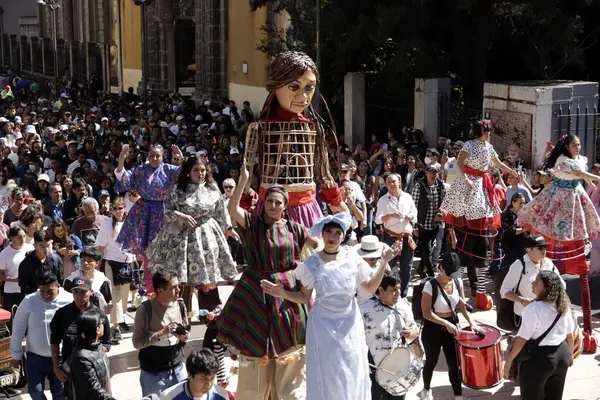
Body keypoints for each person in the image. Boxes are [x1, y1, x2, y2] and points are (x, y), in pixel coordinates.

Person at [262, 213, 401, 400]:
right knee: (328, 371)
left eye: (337, 233)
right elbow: (304, 297)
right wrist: (283, 293)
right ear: (322, 234)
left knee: (351, 368)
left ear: (343, 237)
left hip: (350, 322)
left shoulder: (353, 259)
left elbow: (370, 287)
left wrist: (384, 262)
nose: (333, 237)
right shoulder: (311, 263)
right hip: (322, 325)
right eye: (329, 232)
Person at [217, 161, 320, 399]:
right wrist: (244, 180)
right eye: (270, 201)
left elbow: (318, 244)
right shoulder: (253, 223)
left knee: (289, 355)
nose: (273, 206)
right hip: (255, 291)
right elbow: (232, 210)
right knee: (256, 357)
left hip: (287, 293)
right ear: (264, 203)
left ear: (285, 207)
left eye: (278, 202)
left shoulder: (295, 228)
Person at [518, 134, 600, 352]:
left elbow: (583, 176)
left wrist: (592, 181)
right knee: (555, 227)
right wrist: (594, 177)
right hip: (561, 198)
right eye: (574, 144)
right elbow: (579, 173)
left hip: (575, 196)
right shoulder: (564, 159)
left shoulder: (578, 157)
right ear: (566, 146)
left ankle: (587, 332)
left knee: (576, 229)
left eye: (579, 144)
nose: (578, 147)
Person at [242, 51, 342, 228]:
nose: (303, 97)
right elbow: (246, 177)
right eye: (294, 87)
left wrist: (339, 208)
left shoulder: (313, 127)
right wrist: (242, 209)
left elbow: (324, 173)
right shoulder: (259, 128)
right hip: (269, 212)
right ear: (276, 86)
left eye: (309, 88)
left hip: (306, 210)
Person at [440, 120, 518, 310]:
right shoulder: (469, 144)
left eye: (489, 130)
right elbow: (459, 162)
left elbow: (496, 162)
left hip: (483, 184)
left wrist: (509, 170)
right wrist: (465, 179)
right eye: (486, 130)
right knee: (469, 224)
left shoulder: (489, 146)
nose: (488, 133)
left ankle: (481, 293)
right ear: (479, 131)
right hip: (470, 184)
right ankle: (461, 293)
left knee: (483, 236)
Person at [146, 155, 237, 308]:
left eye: (203, 170)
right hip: (181, 238)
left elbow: (221, 211)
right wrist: (180, 216)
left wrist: (228, 229)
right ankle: (181, 313)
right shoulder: (177, 189)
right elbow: (167, 210)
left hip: (207, 237)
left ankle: (210, 314)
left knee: (207, 277)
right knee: (180, 278)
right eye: (196, 170)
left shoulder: (212, 188)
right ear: (188, 172)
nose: (200, 173)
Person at [114, 143, 183, 293]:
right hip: (144, 211)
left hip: (165, 210)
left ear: (163, 157)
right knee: (148, 252)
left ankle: (170, 287)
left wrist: (181, 158)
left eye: (158, 156)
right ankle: (151, 290)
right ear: (147, 157)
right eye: (151, 155)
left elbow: (185, 175)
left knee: (167, 249)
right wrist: (121, 160)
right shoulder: (140, 170)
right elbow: (124, 179)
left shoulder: (168, 169)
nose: (155, 158)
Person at [503, 270, 575, 400]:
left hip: (540, 359)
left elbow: (521, 341)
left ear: (547, 288)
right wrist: (570, 356)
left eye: (537, 282)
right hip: (562, 354)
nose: (533, 283)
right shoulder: (564, 306)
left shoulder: (533, 309)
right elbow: (569, 336)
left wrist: (508, 363)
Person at [419, 252, 480, 400]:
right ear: (440, 267)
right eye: (450, 272)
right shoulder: (430, 286)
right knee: (431, 361)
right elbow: (426, 313)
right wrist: (444, 323)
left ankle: (458, 396)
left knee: (454, 363)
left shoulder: (457, 281)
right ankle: (426, 389)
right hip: (432, 329)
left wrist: (472, 323)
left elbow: (461, 305)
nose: (452, 276)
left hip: (451, 328)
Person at [10, 271, 73, 400]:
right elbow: (18, 328)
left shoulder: (70, 299)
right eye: (42, 291)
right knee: (35, 392)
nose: (46, 295)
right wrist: (16, 355)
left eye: (50, 291)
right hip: (35, 358)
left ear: (58, 286)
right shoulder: (29, 301)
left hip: (61, 357)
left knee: (60, 394)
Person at [50, 276, 111, 400]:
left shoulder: (100, 315)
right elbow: (54, 341)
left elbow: (107, 343)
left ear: (90, 292)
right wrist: (56, 368)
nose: (79, 296)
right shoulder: (62, 314)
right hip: (69, 373)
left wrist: (90, 355)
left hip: (94, 371)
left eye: (83, 292)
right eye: (76, 292)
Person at [360, 272, 419, 400]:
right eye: (393, 290)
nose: (398, 293)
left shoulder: (403, 305)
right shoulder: (364, 308)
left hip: (399, 370)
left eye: (399, 289)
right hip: (375, 370)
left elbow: (415, 331)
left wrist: (411, 333)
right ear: (381, 290)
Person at [132, 270, 189, 397]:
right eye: (173, 288)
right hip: (154, 375)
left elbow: (186, 334)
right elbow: (136, 343)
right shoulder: (145, 309)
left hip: (178, 369)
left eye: (178, 286)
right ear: (160, 291)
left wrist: (183, 337)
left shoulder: (180, 304)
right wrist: (162, 333)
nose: (178, 290)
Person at [95, 197, 136, 342]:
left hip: (127, 262)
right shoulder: (106, 225)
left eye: (121, 208)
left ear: (125, 208)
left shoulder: (131, 222)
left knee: (125, 296)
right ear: (111, 210)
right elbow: (100, 246)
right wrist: (99, 263)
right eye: (115, 208)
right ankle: (116, 326)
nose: (118, 211)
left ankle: (121, 317)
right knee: (115, 295)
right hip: (111, 263)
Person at [500, 234, 565, 322]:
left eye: (545, 247)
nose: (544, 250)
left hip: (547, 314)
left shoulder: (549, 263)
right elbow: (504, 291)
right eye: (540, 248)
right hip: (525, 315)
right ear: (528, 249)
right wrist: (522, 300)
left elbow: (562, 285)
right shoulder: (519, 265)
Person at [375, 173, 418, 298]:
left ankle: (402, 295)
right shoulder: (383, 199)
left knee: (406, 269)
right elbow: (377, 220)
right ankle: (384, 294)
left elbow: (414, 213)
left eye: (393, 181)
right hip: (391, 237)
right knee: (387, 266)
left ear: (399, 181)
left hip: (406, 238)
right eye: (389, 182)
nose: (391, 184)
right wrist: (390, 215)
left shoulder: (407, 197)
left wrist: (410, 216)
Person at [70, 308, 116, 400]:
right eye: (101, 323)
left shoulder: (97, 346)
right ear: (97, 330)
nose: (104, 324)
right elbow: (93, 390)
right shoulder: (82, 359)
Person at [412, 164, 446, 278]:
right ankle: (430, 273)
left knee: (432, 248)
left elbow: (445, 202)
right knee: (427, 249)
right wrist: (415, 226)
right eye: (431, 172)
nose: (433, 174)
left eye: (435, 172)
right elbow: (414, 206)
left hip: (437, 222)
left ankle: (421, 268)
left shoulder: (441, 185)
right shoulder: (419, 186)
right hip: (424, 223)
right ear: (426, 172)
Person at [159, 349, 232, 400]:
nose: (208, 384)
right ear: (190, 375)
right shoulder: (169, 397)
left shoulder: (221, 396)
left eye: (212, 378)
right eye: (203, 378)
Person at [63, 245, 113, 316]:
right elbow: (65, 301)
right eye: (83, 260)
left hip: (97, 318)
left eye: (90, 261)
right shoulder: (71, 280)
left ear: (97, 263)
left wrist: (109, 306)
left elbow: (108, 301)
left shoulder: (102, 281)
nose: (86, 263)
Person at [0, 226, 34, 321]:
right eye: (19, 237)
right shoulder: (4, 254)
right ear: (11, 238)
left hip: (28, 291)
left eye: (23, 236)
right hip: (11, 292)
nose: (22, 239)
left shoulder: (30, 249)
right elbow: (1, 275)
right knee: (13, 321)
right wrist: (15, 280)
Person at [19, 229, 64, 296]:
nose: (46, 249)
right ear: (34, 245)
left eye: (48, 245)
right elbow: (23, 286)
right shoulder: (26, 263)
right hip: (35, 299)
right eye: (41, 246)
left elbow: (60, 280)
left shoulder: (56, 259)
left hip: (53, 298)